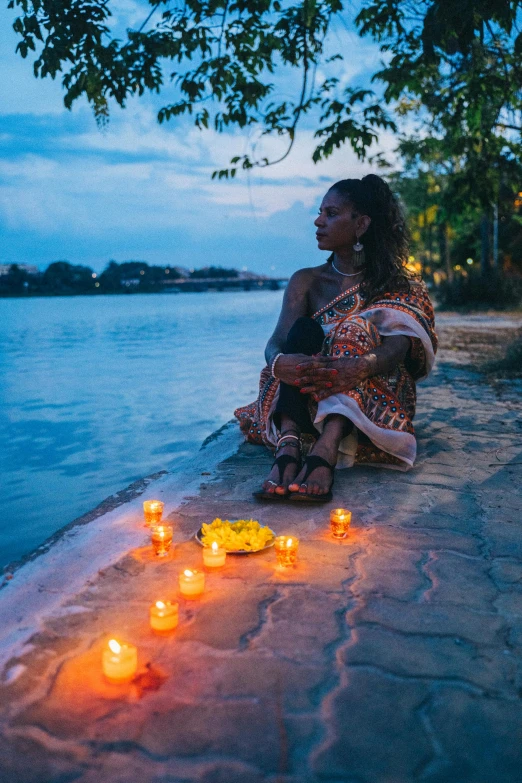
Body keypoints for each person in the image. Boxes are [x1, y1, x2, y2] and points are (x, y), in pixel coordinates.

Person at [234, 174, 437, 502]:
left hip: (373, 395)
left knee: (353, 330)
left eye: (331, 214)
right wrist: (280, 362)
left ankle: (325, 450)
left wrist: (359, 366)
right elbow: (276, 342)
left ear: (362, 224)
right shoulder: (306, 281)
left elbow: (398, 350)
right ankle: (288, 442)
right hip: (306, 394)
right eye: (320, 212)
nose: (318, 221)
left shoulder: (399, 284)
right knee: (302, 333)